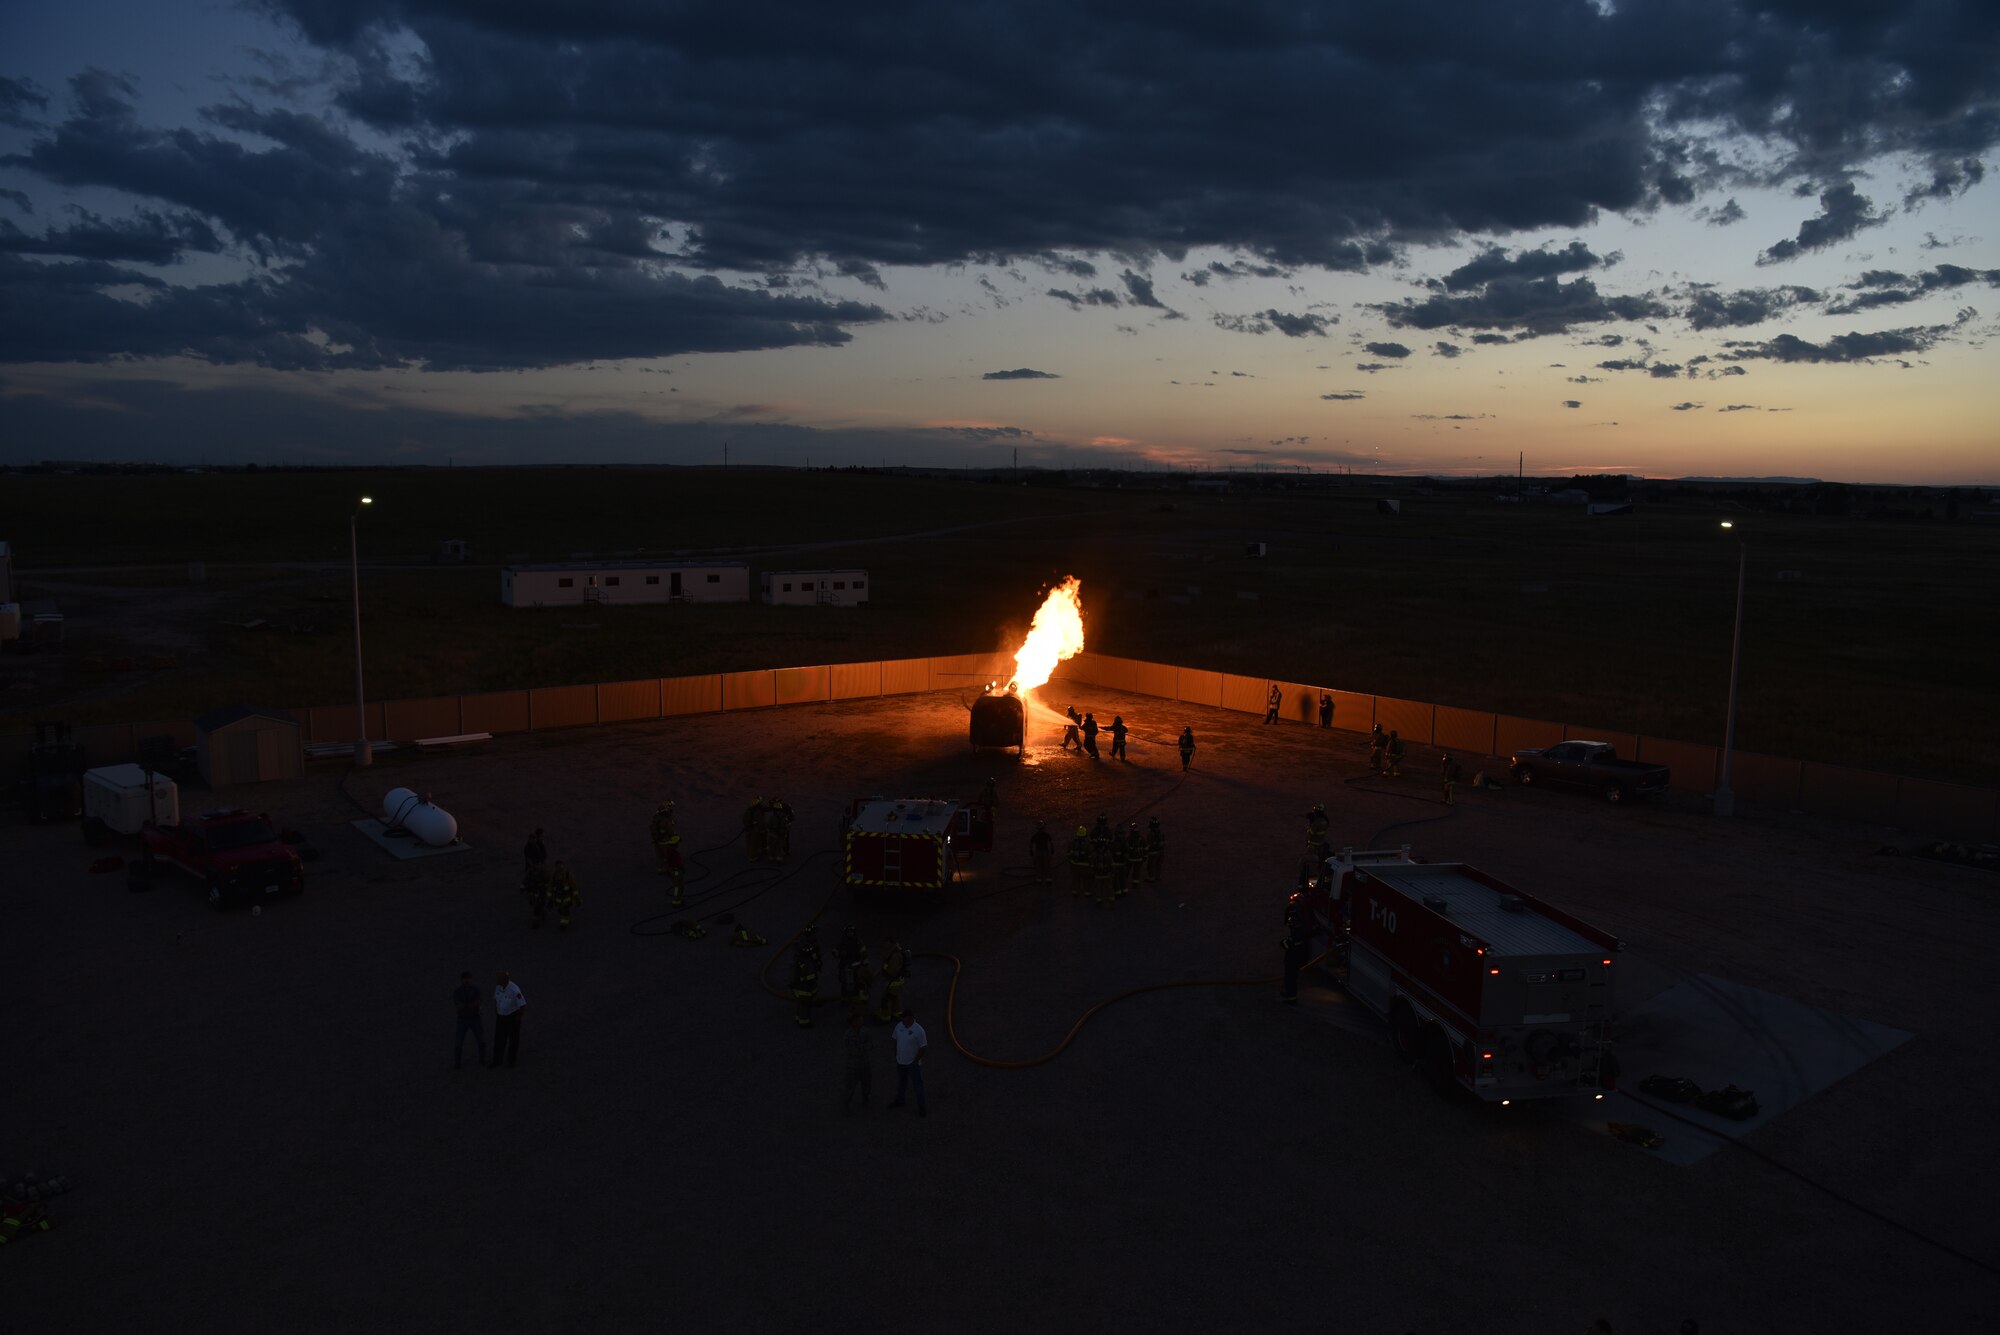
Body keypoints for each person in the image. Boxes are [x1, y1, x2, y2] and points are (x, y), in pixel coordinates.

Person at [889, 1009, 928, 1116]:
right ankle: (900, 1100)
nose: (902, 1019)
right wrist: (896, 1054)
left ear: (910, 1017)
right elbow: (895, 1038)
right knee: (901, 1083)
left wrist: (915, 1061)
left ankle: (922, 1106)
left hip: (912, 1063)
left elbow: (923, 1046)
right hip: (900, 1062)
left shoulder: (919, 1030)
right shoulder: (899, 1026)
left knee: (917, 1085)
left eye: (904, 1017)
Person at [1280, 897, 1314, 1004]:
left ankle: (1291, 997)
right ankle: (1289, 993)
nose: (1290, 923)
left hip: (1295, 951)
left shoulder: (1297, 922)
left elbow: (1295, 940)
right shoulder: (1303, 914)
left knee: (1290, 973)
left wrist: (1285, 943)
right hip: (1299, 949)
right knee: (1291, 973)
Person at [651, 800, 685, 905]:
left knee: (659, 856)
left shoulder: (655, 819)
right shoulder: (666, 821)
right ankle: (677, 900)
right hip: (665, 842)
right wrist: (675, 837)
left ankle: (661, 870)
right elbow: (671, 832)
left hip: (657, 843)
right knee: (678, 881)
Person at [453, 970, 487, 1070]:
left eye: (468, 978)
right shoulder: (458, 992)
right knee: (458, 1042)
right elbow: (459, 1006)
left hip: (474, 1018)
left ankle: (482, 1060)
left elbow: (477, 1003)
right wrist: (471, 1005)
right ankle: (457, 1063)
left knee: (481, 1041)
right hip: (463, 1019)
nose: (466, 980)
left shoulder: (475, 991)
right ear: (462, 980)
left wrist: (465, 1006)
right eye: (465, 978)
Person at [490, 972, 526, 1068]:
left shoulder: (514, 990)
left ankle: (511, 1061)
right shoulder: (498, 987)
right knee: (499, 1040)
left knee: (513, 1040)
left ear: (506, 979)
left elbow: (522, 1005)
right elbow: (496, 999)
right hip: (501, 1017)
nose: (497, 981)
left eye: (499, 979)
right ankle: (497, 1061)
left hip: (512, 1017)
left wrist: (518, 1018)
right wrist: (497, 1011)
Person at [841, 1013, 872, 1114]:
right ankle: (846, 1104)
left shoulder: (865, 1031)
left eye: (861, 1020)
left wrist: (862, 1049)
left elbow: (870, 1044)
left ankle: (865, 1100)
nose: (861, 1022)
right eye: (858, 1020)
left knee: (866, 1084)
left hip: (864, 1064)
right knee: (850, 1086)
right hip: (853, 1066)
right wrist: (863, 1049)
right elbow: (851, 1050)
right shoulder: (848, 1034)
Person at [875, 936, 909, 1022]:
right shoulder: (895, 952)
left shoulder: (895, 955)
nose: (884, 945)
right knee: (896, 998)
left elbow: (892, 970)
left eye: (886, 942)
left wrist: (885, 967)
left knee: (886, 999)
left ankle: (885, 1017)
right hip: (897, 981)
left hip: (893, 982)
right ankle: (896, 1013)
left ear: (890, 942)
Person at [791, 950, 819, 1028]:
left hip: (797, 988)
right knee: (804, 1006)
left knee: (799, 1004)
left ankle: (798, 1018)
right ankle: (804, 1022)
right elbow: (811, 978)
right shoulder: (807, 964)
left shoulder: (797, 961)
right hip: (804, 989)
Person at [549, 861, 580, 930]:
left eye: (561, 866)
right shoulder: (554, 875)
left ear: (563, 866)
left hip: (567, 896)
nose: (559, 867)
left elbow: (574, 886)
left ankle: (564, 924)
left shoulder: (567, 874)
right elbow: (550, 885)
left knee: (565, 910)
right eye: (558, 866)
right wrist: (550, 896)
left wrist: (577, 897)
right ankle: (565, 920)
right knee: (560, 910)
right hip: (558, 896)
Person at [522, 860, 552, 929]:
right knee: (535, 904)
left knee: (538, 906)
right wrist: (523, 887)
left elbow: (549, 880)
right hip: (533, 891)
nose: (535, 866)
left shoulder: (544, 871)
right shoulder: (530, 872)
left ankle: (536, 921)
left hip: (541, 892)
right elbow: (526, 879)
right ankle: (544, 912)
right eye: (534, 864)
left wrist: (545, 887)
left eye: (536, 864)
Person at [768, 797, 795, 861]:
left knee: (782, 842)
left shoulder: (785, 808)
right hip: (779, 829)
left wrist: (786, 824)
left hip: (781, 829)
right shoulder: (778, 808)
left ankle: (783, 853)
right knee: (776, 843)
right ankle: (777, 855)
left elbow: (791, 817)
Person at [1068, 825, 1092, 897]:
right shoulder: (1088, 844)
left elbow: (1069, 854)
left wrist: (1072, 863)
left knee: (1076, 879)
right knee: (1086, 880)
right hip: (1085, 866)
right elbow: (1090, 856)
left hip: (1075, 865)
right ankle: (1087, 892)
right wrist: (1091, 865)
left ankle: (1075, 892)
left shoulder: (1073, 843)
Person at [1143, 816, 1165, 883]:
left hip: (1153, 852)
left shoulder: (1150, 834)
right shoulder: (1161, 833)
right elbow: (1163, 842)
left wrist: (1145, 853)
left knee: (1151, 865)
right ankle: (1158, 876)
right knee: (1158, 864)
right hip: (1160, 852)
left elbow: (1148, 844)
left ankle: (1151, 877)